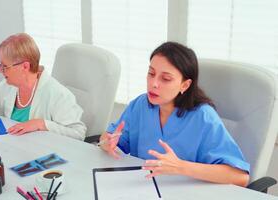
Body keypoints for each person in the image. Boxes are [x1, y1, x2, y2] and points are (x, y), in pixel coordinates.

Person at [99, 42, 250, 187]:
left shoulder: (203, 117)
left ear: (185, 85)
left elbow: (240, 177)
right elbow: (111, 137)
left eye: (165, 79)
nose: (154, 83)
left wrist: (180, 167)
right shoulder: (140, 105)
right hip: (143, 188)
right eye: (151, 73)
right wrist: (107, 142)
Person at [0, 33, 86, 140]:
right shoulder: (9, 85)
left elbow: (78, 133)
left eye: (4, 66)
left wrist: (41, 124)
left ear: (25, 67)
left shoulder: (58, 94)